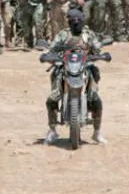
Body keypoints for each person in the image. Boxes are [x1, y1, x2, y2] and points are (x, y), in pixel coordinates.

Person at [44, 9, 106, 145]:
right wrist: (49, 56)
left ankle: (97, 132)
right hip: (66, 67)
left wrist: (99, 54)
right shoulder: (63, 34)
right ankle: (52, 130)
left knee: (96, 100)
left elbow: (97, 48)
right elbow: (52, 49)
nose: (76, 24)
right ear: (69, 22)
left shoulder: (88, 34)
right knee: (52, 99)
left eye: (79, 21)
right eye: (73, 21)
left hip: (85, 66)